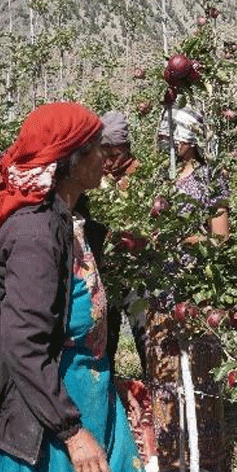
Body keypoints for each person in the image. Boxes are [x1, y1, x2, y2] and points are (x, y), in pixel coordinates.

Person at [0, 102, 175, 472]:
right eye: (97, 150)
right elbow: (24, 344)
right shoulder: (35, 232)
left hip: (90, 398)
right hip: (44, 411)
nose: (107, 158)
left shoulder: (69, 216)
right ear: (71, 161)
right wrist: (72, 432)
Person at [144, 106, 229, 472]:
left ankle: (207, 462)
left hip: (196, 289)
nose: (169, 146)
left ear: (191, 141)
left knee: (201, 373)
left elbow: (221, 236)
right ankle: (169, 457)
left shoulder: (210, 179)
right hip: (161, 289)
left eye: (174, 139)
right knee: (162, 373)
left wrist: (187, 239)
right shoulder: (160, 180)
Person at [98, 110, 147, 376]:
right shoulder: (99, 180)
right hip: (107, 273)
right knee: (105, 340)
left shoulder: (141, 178)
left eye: (112, 155)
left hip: (138, 274)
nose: (106, 162)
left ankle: (157, 396)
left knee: (146, 335)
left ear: (126, 148)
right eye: (102, 155)